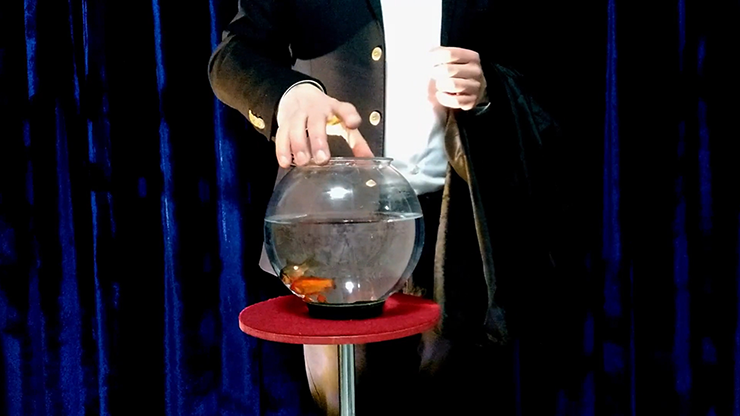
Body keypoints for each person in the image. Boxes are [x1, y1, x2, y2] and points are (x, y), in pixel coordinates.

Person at [209, 0, 565, 414]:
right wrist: (291, 95)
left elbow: (540, 75)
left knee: (450, 397)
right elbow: (231, 58)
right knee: (347, 399)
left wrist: (488, 89)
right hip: (335, 234)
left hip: (455, 233)